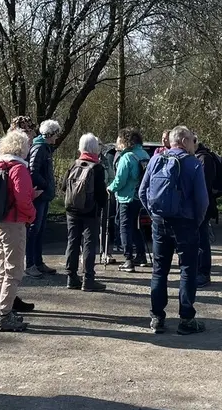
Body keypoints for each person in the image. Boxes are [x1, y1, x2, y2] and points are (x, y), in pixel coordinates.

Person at [140, 126, 208, 335]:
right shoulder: (193, 164)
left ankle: (157, 318)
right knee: (187, 269)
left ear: (171, 141)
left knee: (159, 270)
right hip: (186, 223)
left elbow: (143, 192)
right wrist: (196, 221)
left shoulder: (156, 160)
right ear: (185, 141)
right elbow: (202, 201)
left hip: (160, 221)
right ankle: (186, 319)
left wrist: (153, 214)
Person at [0, 116, 37, 314]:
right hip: (13, 223)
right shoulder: (19, 169)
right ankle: (4, 313)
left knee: (2, 267)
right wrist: (32, 216)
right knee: (13, 271)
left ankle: (0, 306)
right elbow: (23, 199)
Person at [63, 133, 109, 291]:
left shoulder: (73, 164)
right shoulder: (97, 168)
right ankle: (88, 279)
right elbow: (101, 194)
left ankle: (71, 277)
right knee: (89, 243)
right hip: (90, 210)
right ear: (95, 148)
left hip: (72, 210)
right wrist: (103, 205)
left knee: (72, 242)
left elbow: (64, 187)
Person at [107, 128, 150, 272]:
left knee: (124, 227)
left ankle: (128, 259)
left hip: (127, 197)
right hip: (140, 197)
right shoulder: (144, 154)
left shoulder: (127, 157)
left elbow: (120, 180)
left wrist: (110, 188)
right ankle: (141, 255)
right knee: (136, 226)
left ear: (126, 141)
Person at [25, 119, 61, 277]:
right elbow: (33, 171)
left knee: (40, 231)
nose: (57, 138)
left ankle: (38, 262)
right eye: (56, 134)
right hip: (38, 196)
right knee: (34, 230)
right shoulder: (39, 148)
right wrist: (45, 185)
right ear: (50, 134)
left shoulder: (45, 148)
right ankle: (31, 263)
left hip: (44, 196)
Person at [194, 136, 222, 287]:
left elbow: (204, 186)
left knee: (202, 240)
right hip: (200, 204)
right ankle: (198, 271)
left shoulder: (204, 159)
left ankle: (204, 273)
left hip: (204, 205)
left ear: (194, 142)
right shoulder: (197, 157)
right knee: (198, 239)